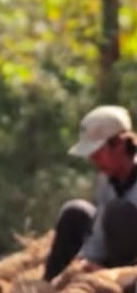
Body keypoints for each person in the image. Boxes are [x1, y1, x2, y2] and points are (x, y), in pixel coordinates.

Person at [43, 105, 137, 282]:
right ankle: (48, 288)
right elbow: (99, 229)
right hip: (111, 260)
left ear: (119, 144)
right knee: (75, 212)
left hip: (131, 273)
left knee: (118, 212)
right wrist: (85, 260)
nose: (92, 160)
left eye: (97, 153)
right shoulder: (106, 180)